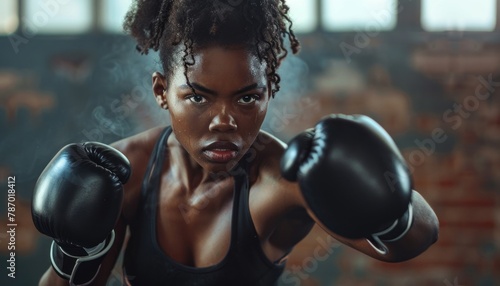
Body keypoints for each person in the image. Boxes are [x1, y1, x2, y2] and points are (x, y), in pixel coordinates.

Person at [31, 0, 439, 285]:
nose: (224, 121)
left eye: (246, 97)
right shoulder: (125, 172)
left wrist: (391, 207)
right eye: (198, 97)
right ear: (161, 91)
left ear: (267, 92)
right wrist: (76, 250)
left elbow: (413, 242)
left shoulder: (282, 180)